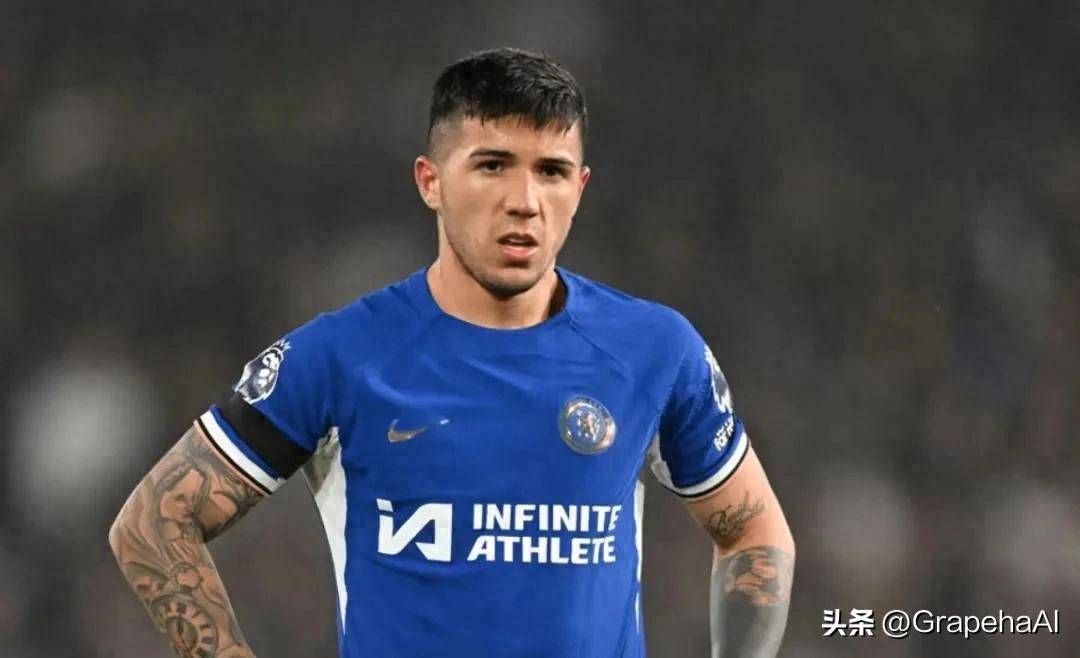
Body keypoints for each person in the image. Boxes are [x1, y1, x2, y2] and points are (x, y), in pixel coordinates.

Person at [109, 47, 795, 658]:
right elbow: (153, 524)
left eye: (552, 171)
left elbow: (756, 533)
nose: (524, 201)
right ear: (430, 181)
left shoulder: (654, 349)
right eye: (492, 165)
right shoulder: (342, 356)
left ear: (580, 188)